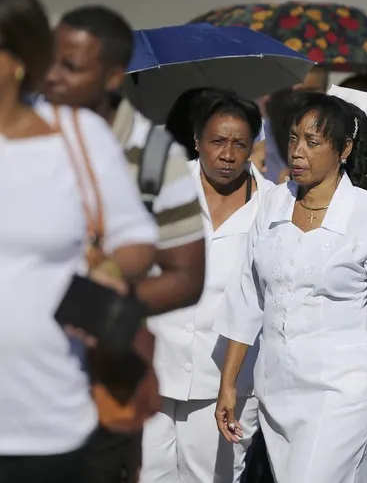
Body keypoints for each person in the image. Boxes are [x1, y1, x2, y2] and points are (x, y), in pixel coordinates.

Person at [0, 0, 159, 481]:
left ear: (16, 57)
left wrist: (110, 267)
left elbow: (135, 240)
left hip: (47, 417)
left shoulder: (77, 137)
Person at [213, 91, 367, 482]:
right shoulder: (271, 204)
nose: (297, 152)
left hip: (342, 392)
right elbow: (248, 298)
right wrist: (229, 383)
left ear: (344, 149)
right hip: (277, 388)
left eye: (313, 142)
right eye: (292, 139)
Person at [44, 4, 207, 482]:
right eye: (49, 61)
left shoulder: (154, 156)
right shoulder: (20, 130)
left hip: (100, 381)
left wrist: (105, 306)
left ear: (114, 76)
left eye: (70, 68)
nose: (51, 77)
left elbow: (186, 277)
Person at [142, 90, 273, 483]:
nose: (228, 154)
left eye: (239, 144)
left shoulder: (273, 206)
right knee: (146, 475)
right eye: (217, 141)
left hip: (226, 380)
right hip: (155, 365)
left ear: (254, 146)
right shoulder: (161, 189)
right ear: (197, 140)